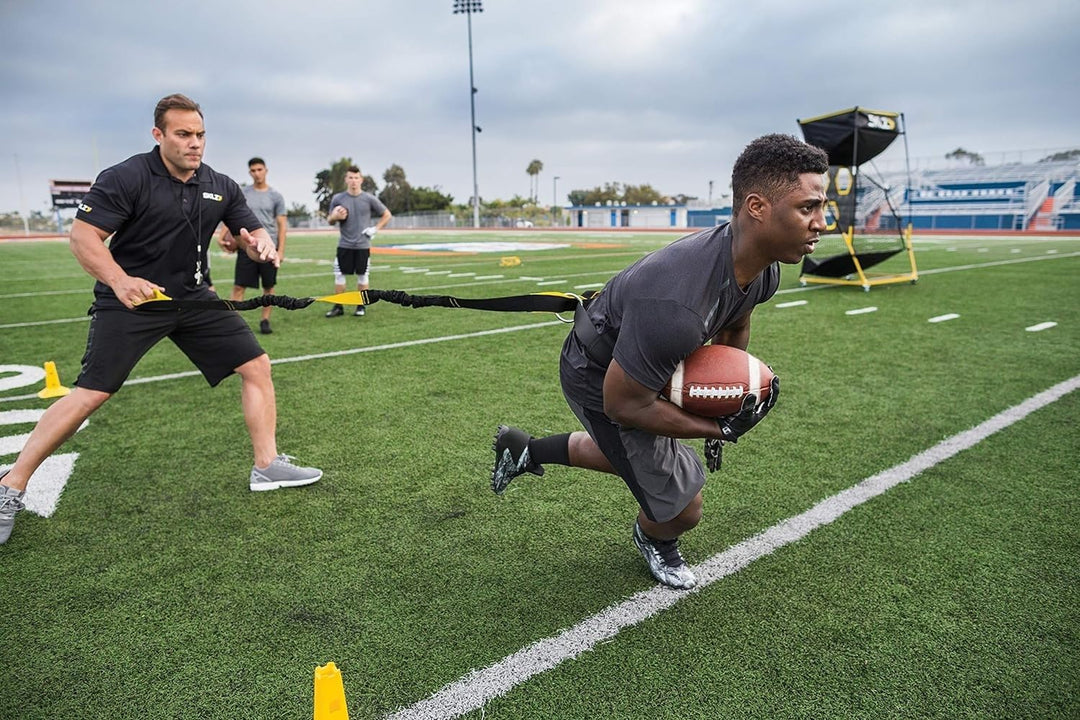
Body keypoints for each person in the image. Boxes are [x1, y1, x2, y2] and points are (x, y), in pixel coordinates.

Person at [490, 134, 829, 589]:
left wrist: (726, 400)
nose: (821, 223)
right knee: (683, 505)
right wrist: (717, 429)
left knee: (640, 455)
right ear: (757, 207)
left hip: (640, 356)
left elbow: (735, 326)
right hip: (597, 372)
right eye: (808, 207)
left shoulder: (764, 268)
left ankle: (525, 448)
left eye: (822, 207)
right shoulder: (678, 307)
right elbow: (622, 405)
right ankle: (655, 539)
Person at [0, 93, 322, 545]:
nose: (195, 144)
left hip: (194, 299)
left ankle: (267, 466)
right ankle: (9, 486)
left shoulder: (220, 184)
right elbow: (83, 237)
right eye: (183, 134)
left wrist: (258, 245)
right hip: (133, 300)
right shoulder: (127, 176)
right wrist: (119, 279)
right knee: (91, 393)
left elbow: (247, 232)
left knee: (257, 367)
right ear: (159, 135)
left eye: (201, 135)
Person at [218, 157, 288, 334]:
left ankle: (265, 320)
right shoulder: (243, 193)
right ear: (250, 172)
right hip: (246, 247)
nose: (257, 173)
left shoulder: (276, 196)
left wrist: (280, 250)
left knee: (268, 287)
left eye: (260, 169)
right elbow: (231, 215)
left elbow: (282, 225)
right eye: (253, 170)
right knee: (239, 286)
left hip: (268, 248)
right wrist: (222, 235)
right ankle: (234, 324)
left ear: (266, 170)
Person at [324, 166, 392, 318]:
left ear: (361, 180)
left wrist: (375, 228)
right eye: (350, 178)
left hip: (362, 245)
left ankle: (360, 306)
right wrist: (335, 217)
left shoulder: (369, 198)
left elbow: (387, 214)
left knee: (363, 277)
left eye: (356, 178)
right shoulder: (338, 199)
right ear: (346, 179)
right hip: (344, 244)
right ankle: (338, 306)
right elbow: (329, 220)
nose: (353, 181)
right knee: (339, 276)